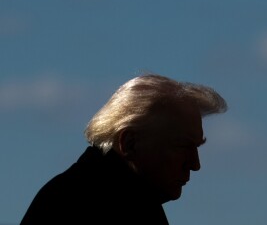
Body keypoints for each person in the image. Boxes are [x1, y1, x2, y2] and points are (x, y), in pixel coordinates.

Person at [21, 73, 228, 225]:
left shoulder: (78, 195)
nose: (195, 164)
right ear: (129, 143)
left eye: (196, 147)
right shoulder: (89, 206)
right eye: (182, 146)